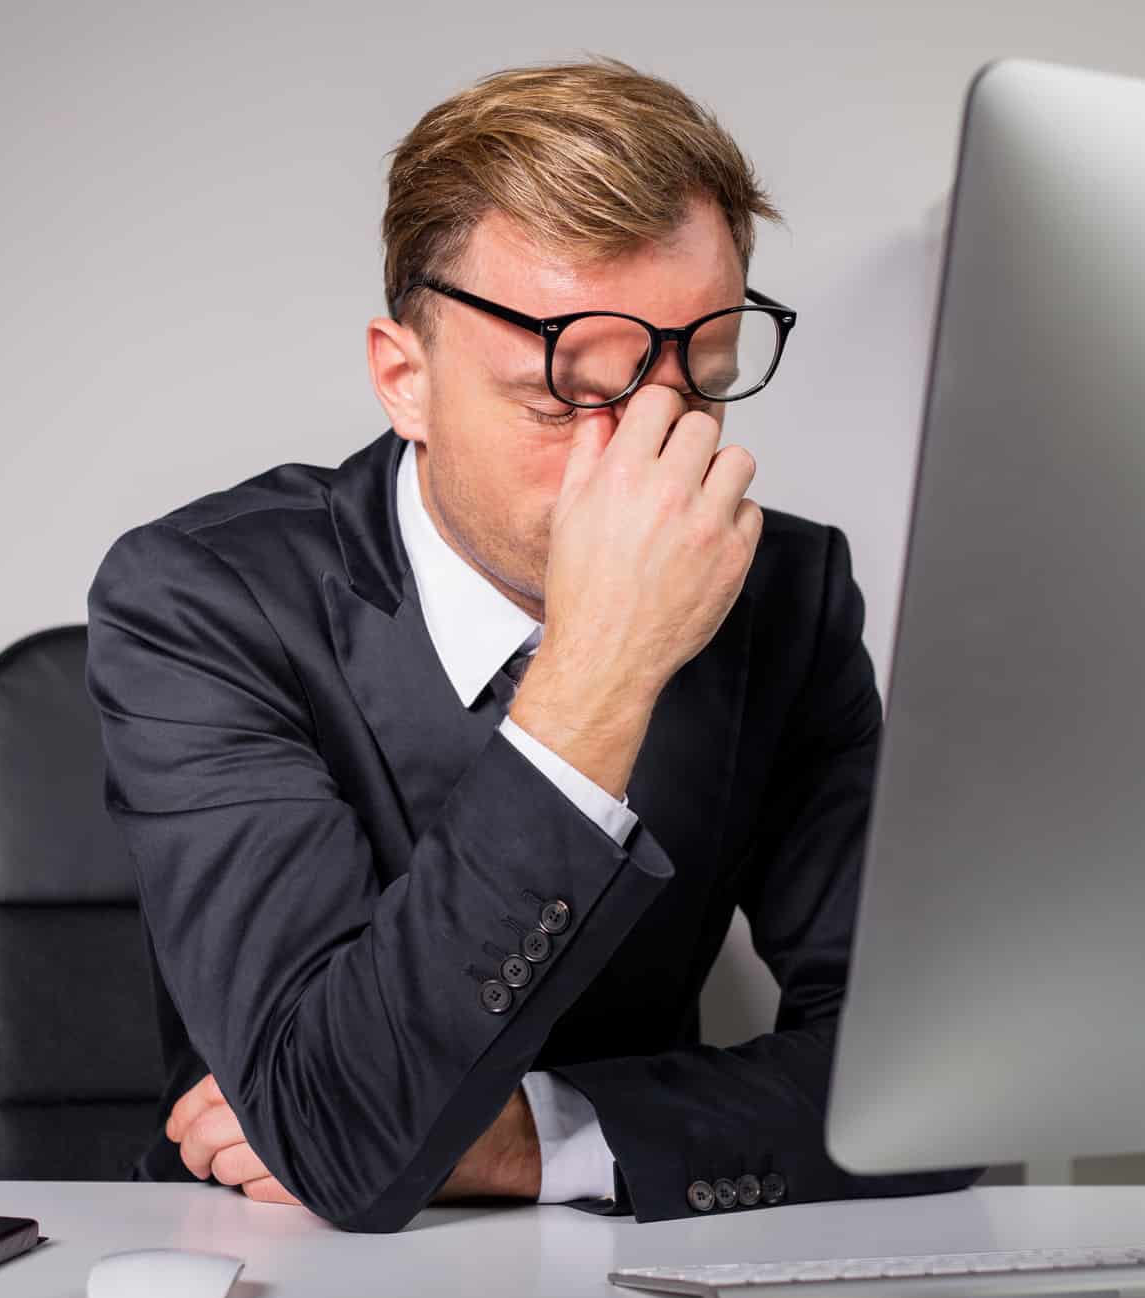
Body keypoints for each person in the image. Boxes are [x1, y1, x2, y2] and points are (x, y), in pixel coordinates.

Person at [86, 56, 981, 1231]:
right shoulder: (199, 600)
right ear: (405, 379)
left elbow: (930, 1086)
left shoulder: (787, 595)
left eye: (699, 386)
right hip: (267, 1265)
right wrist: (599, 672)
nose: (645, 455)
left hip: (632, 1265)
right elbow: (339, 1130)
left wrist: (537, 1139)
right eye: (567, 399)